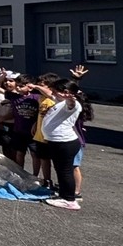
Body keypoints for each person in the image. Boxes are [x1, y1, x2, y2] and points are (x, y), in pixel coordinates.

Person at [35, 79, 84, 210]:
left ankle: (69, 200)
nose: (53, 93)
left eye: (55, 91)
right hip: (57, 142)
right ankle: (64, 194)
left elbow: (71, 104)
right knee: (61, 170)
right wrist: (34, 85)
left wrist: (70, 98)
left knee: (65, 171)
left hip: (64, 142)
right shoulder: (59, 101)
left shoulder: (71, 104)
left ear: (65, 92)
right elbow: (50, 93)